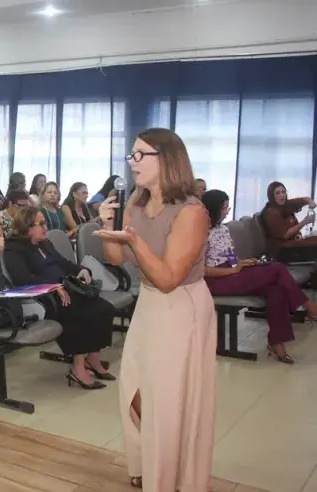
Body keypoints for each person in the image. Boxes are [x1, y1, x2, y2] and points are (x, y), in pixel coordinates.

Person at [96, 128, 216, 491]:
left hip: (181, 307)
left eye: (140, 155)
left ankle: (171, 476)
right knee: (133, 389)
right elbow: (116, 257)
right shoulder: (136, 203)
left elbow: (168, 278)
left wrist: (133, 239)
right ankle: (154, 461)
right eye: (131, 155)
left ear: (166, 160)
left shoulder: (191, 212)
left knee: (168, 398)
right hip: (149, 304)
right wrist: (108, 225)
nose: (132, 163)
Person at [3, 207, 115, 389]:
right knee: (83, 314)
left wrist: (81, 270)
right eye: (41, 224)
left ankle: (93, 359)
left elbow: (63, 263)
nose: (45, 228)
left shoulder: (45, 243)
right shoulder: (14, 250)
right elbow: (23, 279)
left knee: (104, 309)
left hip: (64, 290)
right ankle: (78, 368)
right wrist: (53, 286)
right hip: (44, 298)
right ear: (28, 228)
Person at [201, 190, 317, 364]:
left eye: (228, 207)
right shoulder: (200, 232)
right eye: (224, 208)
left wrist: (241, 263)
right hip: (215, 280)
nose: (227, 211)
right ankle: (309, 307)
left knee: (276, 290)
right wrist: (233, 270)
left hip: (231, 273)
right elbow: (201, 270)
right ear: (213, 209)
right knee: (277, 269)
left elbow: (229, 255)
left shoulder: (222, 228)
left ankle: (276, 343)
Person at [260, 181, 317, 261]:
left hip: (292, 244)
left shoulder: (285, 206)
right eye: (277, 193)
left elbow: (302, 200)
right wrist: (305, 221)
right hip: (281, 250)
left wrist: (310, 201)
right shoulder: (271, 212)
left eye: (283, 192)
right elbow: (285, 235)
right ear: (272, 196)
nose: (281, 195)